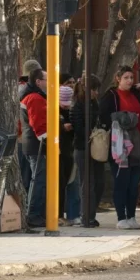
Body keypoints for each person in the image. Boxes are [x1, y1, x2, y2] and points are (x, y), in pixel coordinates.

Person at [98, 66, 140, 230]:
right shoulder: (111, 96)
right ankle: (121, 217)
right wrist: (125, 119)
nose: (130, 81)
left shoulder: (138, 94)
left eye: (131, 77)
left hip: (137, 143)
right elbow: (104, 116)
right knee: (121, 181)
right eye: (126, 77)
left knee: (133, 183)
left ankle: (131, 216)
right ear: (118, 79)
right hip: (119, 144)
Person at [71, 74, 104, 228]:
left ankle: (91, 214)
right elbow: (78, 128)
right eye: (94, 89)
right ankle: (86, 216)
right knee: (87, 184)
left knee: (98, 182)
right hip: (83, 147)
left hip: (95, 147)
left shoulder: (94, 103)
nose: (96, 93)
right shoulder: (78, 105)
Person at [20, 68, 48, 228]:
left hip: (32, 143)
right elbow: (38, 123)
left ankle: (36, 214)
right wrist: (46, 140)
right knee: (38, 180)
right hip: (37, 145)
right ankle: (33, 214)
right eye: (46, 79)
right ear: (38, 82)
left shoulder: (30, 96)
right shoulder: (35, 98)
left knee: (37, 179)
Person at [58, 80, 81, 226]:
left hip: (70, 150)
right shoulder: (53, 111)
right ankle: (58, 214)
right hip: (59, 151)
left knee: (72, 182)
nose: (65, 106)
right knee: (59, 184)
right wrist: (61, 127)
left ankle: (73, 214)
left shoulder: (73, 110)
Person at [17, 60, 42, 192]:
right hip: (27, 135)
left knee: (27, 174)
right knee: (31, 176)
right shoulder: (28, 91)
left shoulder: (19, 88)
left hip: (22, 135)